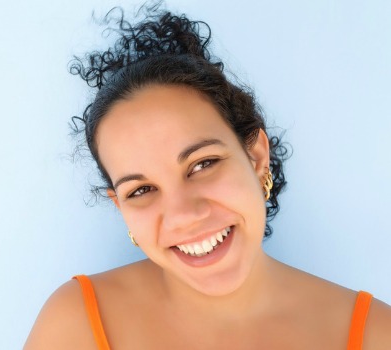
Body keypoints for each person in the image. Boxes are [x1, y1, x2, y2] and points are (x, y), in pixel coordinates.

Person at [25, 5, 391, 349]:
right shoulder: (76, 324)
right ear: (120, 206)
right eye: (142, 190)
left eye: (203, 164)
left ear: (256, 156)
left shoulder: (376, 334)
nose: (184, 213)